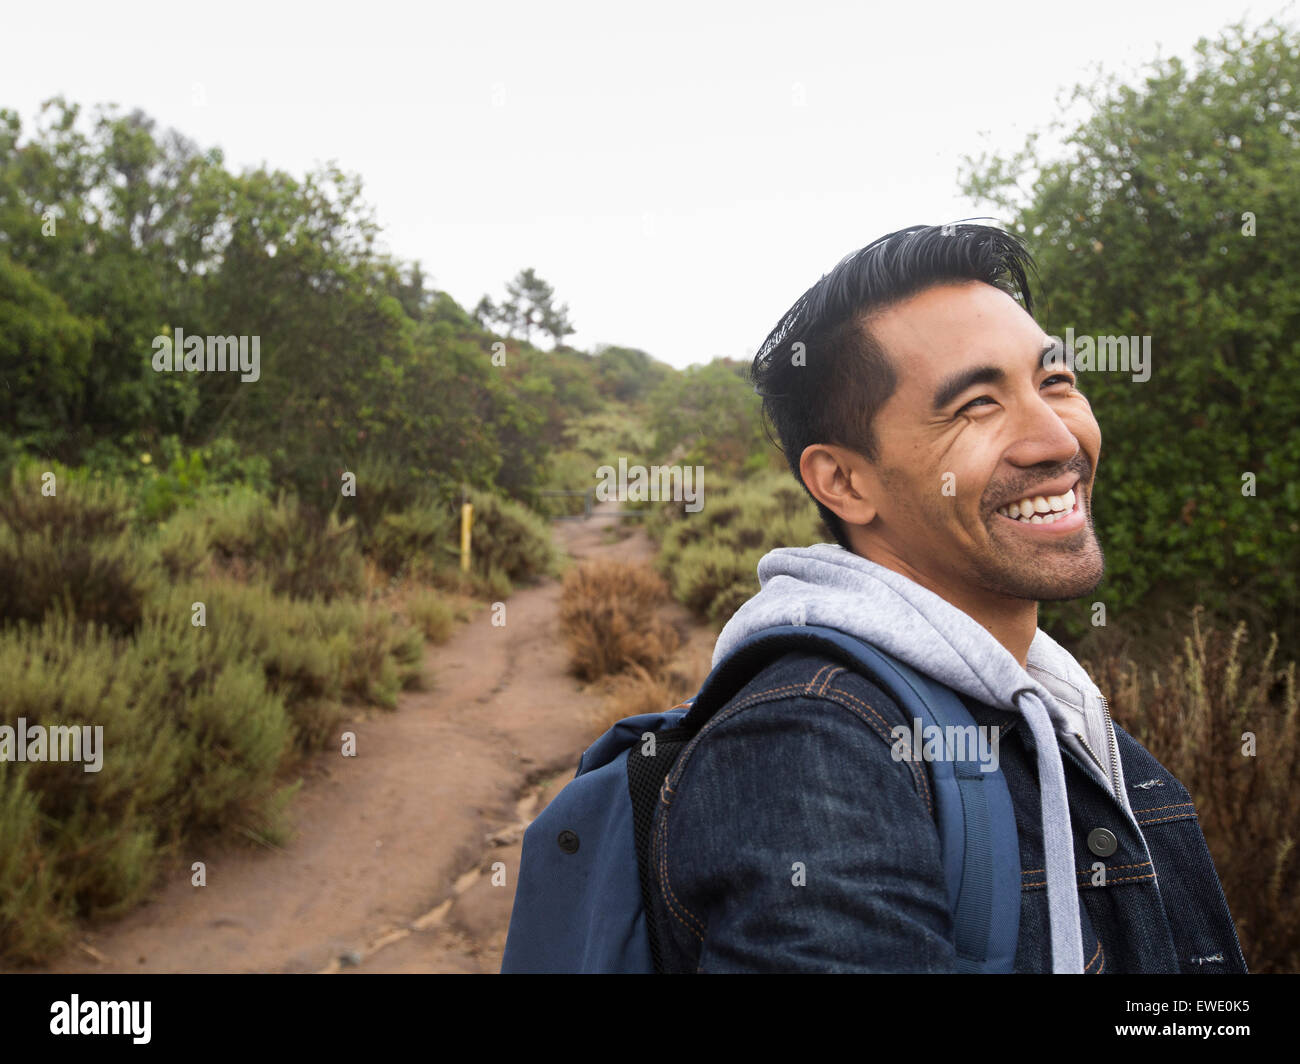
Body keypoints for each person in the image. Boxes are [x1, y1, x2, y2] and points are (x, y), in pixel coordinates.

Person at [646, 223, 1246, 973]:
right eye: (976, 406)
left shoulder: (1064, 718)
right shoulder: (813, 746)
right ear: (844, 481)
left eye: (1056, 382)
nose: (1057, 439)